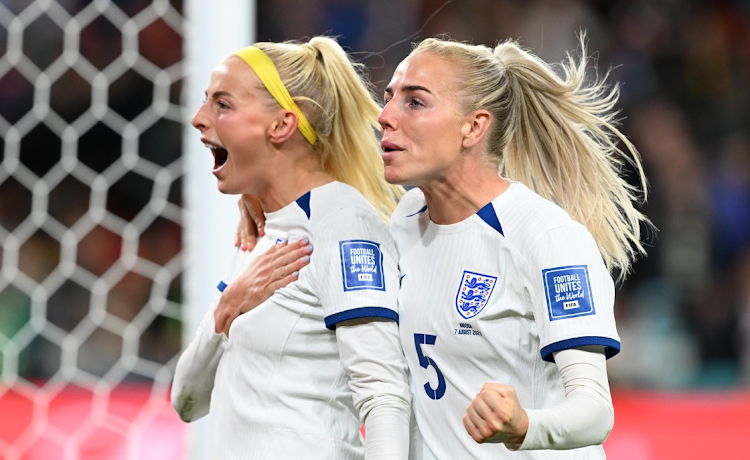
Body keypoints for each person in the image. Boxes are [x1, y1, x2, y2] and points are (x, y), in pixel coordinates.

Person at [236, 33, 649, 458]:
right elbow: (339, 208)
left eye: (415, 102)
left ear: (474, 127)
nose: (386, 115)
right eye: (389, 97)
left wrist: (524, 424)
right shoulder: (406, 221)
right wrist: (271, 197)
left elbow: (595, 411)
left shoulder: (545, 238)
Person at [171, 36, 411, 460]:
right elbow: (186, 401)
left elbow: (384, 394)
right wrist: (228, 308)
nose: (198, 118)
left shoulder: (342, 225)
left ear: (281, 125)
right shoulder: (259, 228)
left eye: (222, 105)